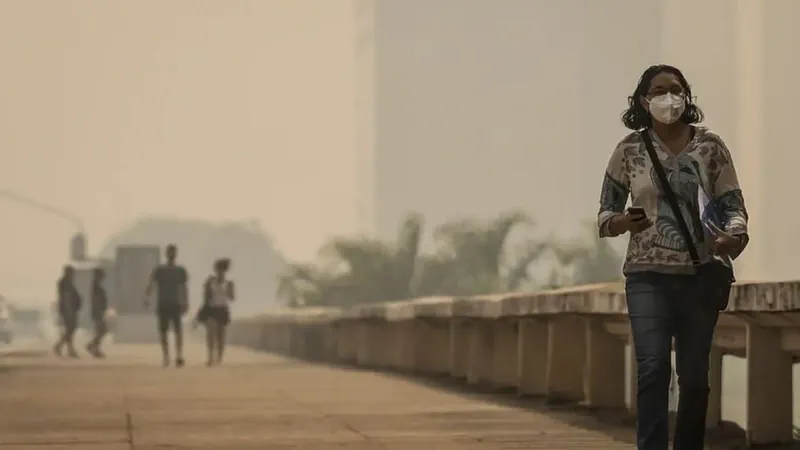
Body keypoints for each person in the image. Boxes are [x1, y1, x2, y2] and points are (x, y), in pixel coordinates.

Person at [598, 65, 749, 450]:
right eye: (660, 90)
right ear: (644, 101)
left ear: (687, 96)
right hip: (647, 275)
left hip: (700, 275)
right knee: (653, 369)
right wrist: (622, 221)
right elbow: (604, 215)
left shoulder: (710, 147)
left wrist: (734, 235)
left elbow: (732, 205)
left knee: (695, 378)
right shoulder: (628, 150)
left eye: (676, 89)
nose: (669, 98)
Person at [145, 244, 189, 367]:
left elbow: (184, 288)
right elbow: (151, 284)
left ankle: (179, 355)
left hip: (176, 303)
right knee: (163, 332)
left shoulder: (181, 270)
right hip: (163, 303)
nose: (171, 255)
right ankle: (166, 356)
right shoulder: (160, 270)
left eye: (173, 252)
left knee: (178, 331)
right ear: (167, 254)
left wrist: (185, 302)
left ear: (175, 254)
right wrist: (147, 297)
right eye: (170, 252)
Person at [197, 258, 235, 366]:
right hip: (211, 309)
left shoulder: (229, 283)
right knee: (210, 333)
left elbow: (232, 297)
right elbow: (205, 296)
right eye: (218, 269)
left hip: (222, 309)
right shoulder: (210, 281)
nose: (220, 272)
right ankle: (210, 357)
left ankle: (219, 357)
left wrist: (228, 291)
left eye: (222, 270)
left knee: (221, 335)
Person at [53, 265, 82, 358]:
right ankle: (60, 346)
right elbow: (66, 297)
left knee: (70, 330)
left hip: (70, 309)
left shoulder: (68, 282)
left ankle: (68, 349)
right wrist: (68, 309)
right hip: (68, 310)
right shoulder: (64, 283)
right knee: (70, 329)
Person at [86, 267, 108, 358]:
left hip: (98, 311)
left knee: (101, 330)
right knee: (102, 330)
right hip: (97, 312)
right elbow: (96, 300)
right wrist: (99, 310)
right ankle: (93, 347)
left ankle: (93, 347)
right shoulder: (96, 286)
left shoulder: (97, 285)